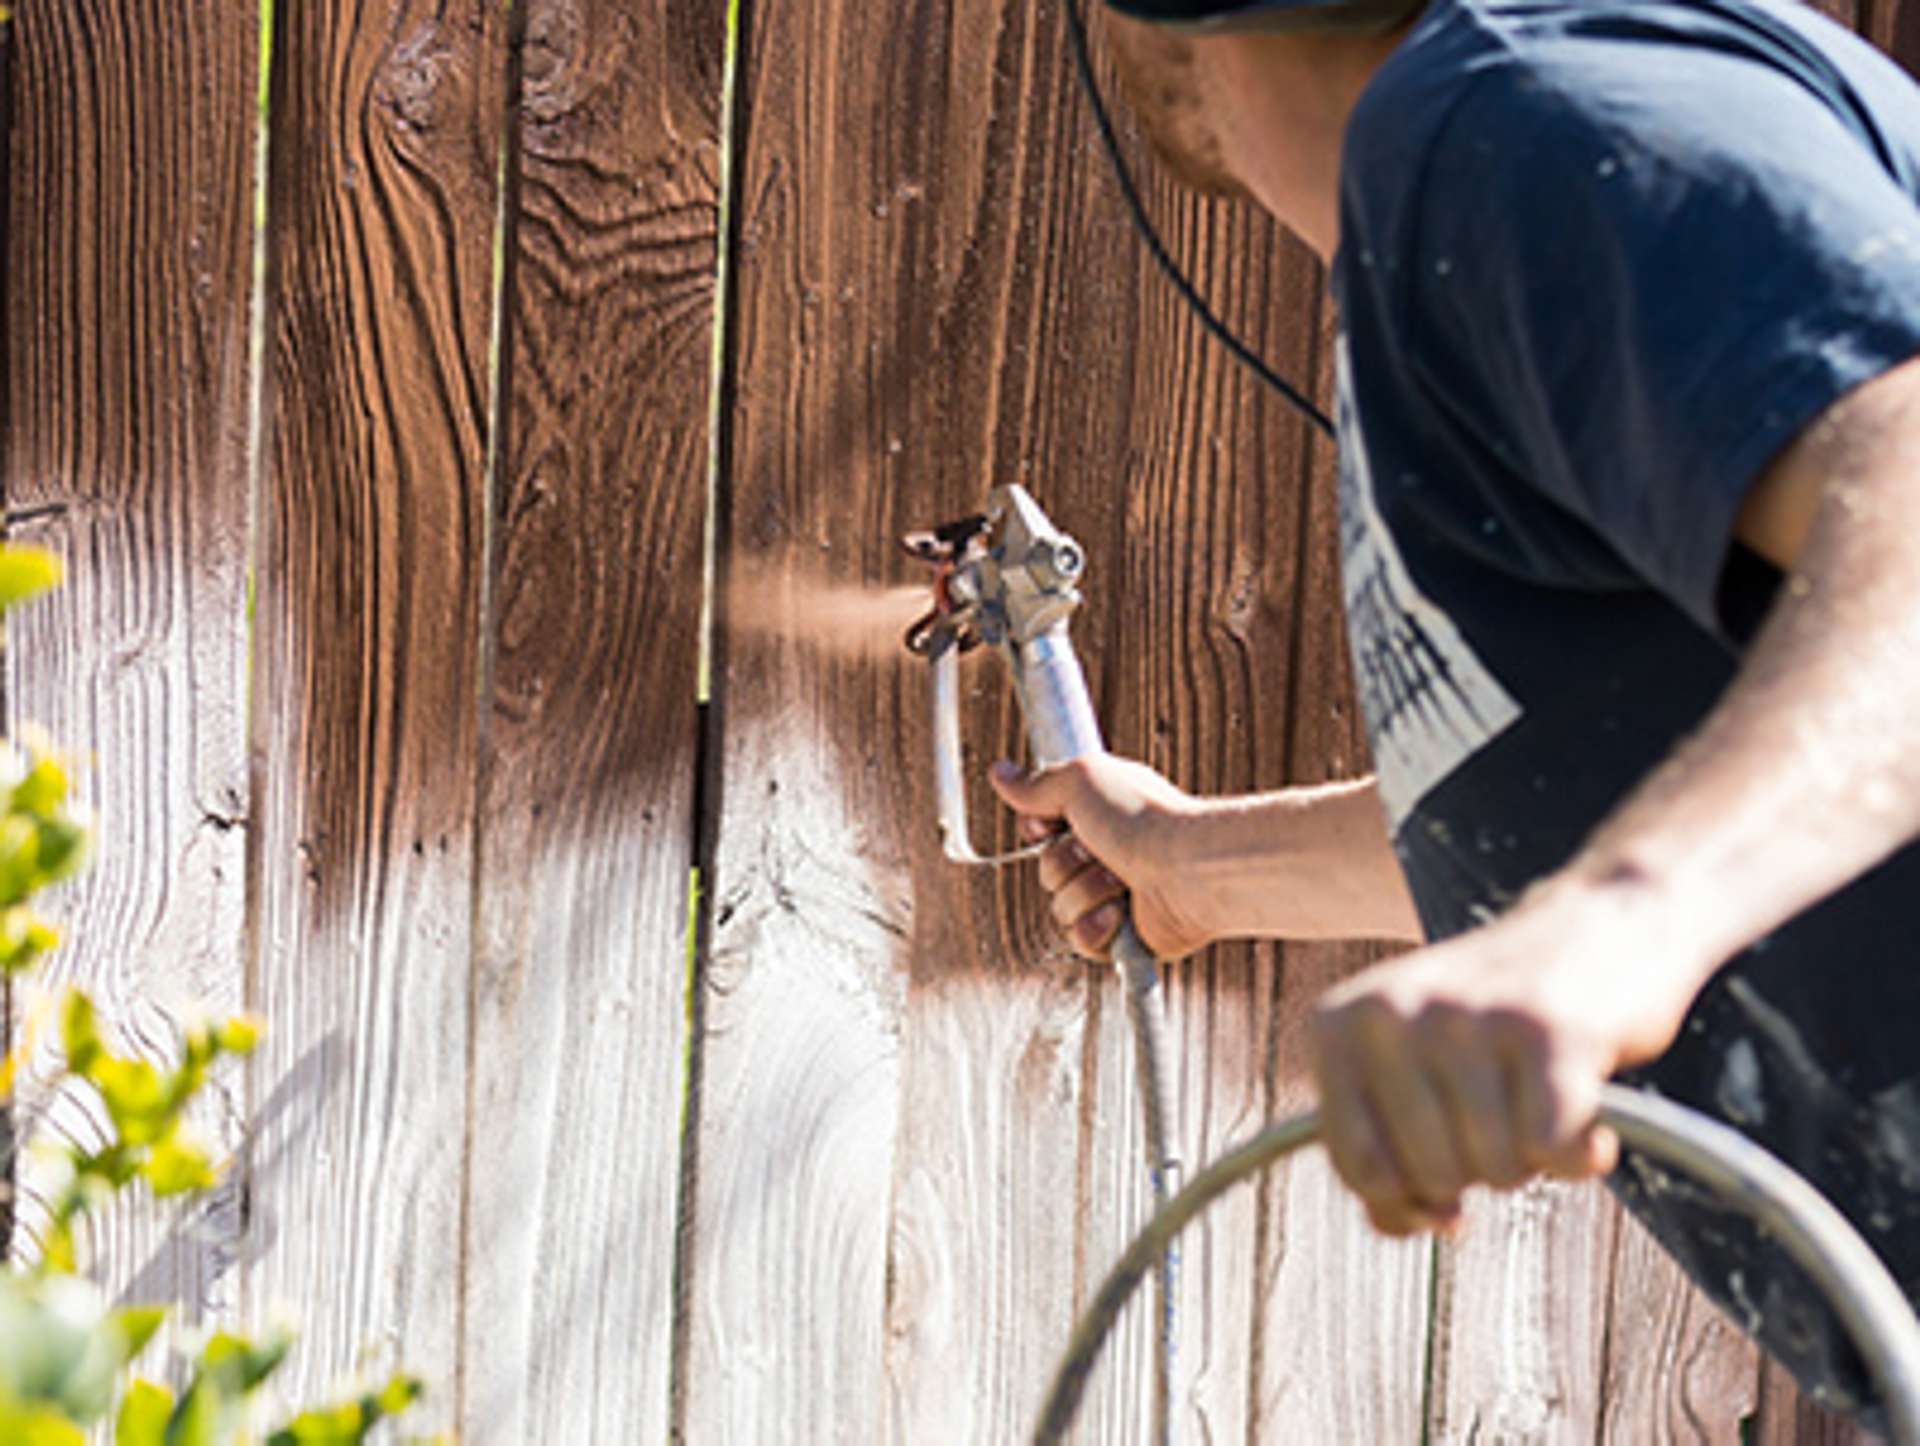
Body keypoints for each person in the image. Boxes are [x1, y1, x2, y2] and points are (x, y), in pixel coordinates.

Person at [987, 0, 1920, 1426]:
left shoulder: (1506, 116)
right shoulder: (1513, 150)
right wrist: (1192, 863)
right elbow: (1665, 773)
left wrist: (1618, 925)